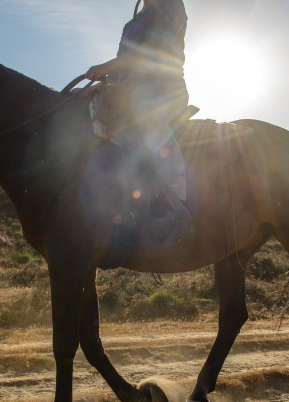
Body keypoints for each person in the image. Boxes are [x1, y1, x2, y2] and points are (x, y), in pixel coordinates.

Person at [86, 0, 191, 244]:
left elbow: (152, 56)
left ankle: (176, 203)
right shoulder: (130, 24)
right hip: (128, 89)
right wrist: (107, 85)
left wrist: (108, 68)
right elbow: (121, 67)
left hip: (163, 89)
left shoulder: (171, 6)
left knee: (143, 106)